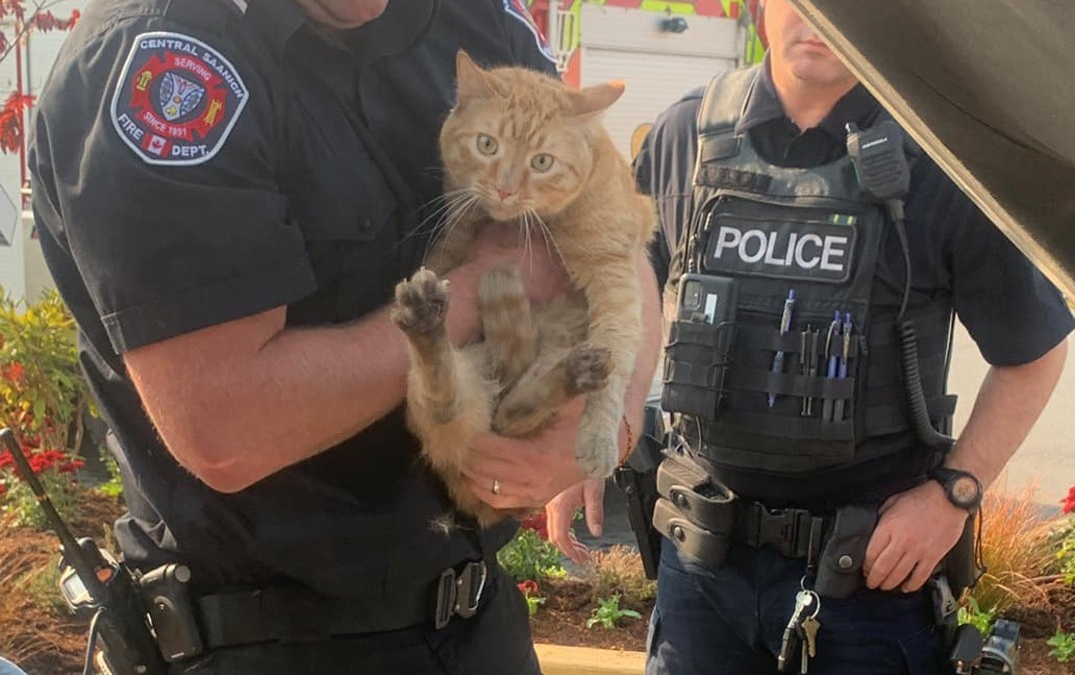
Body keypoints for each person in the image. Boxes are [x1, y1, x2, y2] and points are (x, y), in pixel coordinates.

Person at [27, 0, 661, 673]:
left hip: (476, 622)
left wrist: (608, 424)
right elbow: (223, 426)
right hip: (266, 641)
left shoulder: (477, 25)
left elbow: (614, 237)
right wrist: (477, 289)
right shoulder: (160, 58)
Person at [631, 1, 1075, 674]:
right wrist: (590, 419)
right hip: (701, 568)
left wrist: (952, 495)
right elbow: (622, 283)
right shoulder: (684, 134)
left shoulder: (937, 161)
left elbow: (1035, 353)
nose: (823, 19)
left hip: (866, 578)